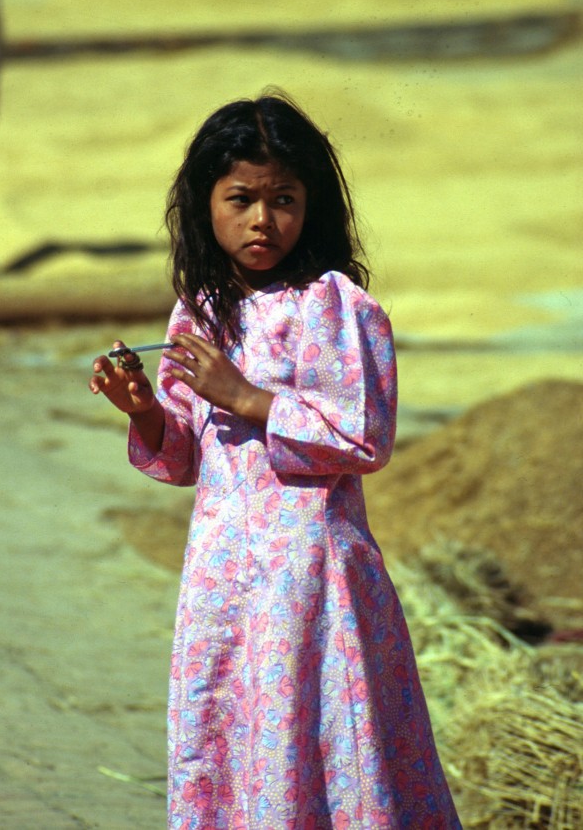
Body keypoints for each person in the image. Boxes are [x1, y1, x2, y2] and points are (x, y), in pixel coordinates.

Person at [89, 92, 461, 829]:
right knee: (232, 742)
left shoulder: (334, 306)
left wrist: (247, 395)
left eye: (284, 199)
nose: (264, 220)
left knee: (319, 747)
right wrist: (143, 409)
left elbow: (362, 438)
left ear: (312, 205)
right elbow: (187, 452)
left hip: (311, 579)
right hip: (224, 579)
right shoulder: (199, 310)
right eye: (242, 199)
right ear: (205, 206)